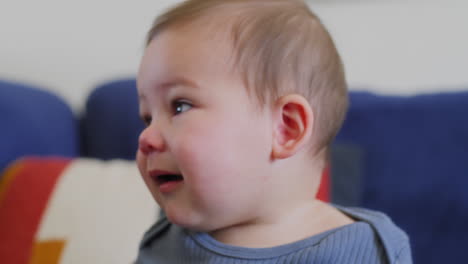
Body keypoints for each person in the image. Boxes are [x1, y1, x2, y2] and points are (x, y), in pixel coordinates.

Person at [134, 0, 412, 263]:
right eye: (147, 118)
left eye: (180, 106)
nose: (146, 137)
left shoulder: (371, 250)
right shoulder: (162, 246)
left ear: (286, 129)